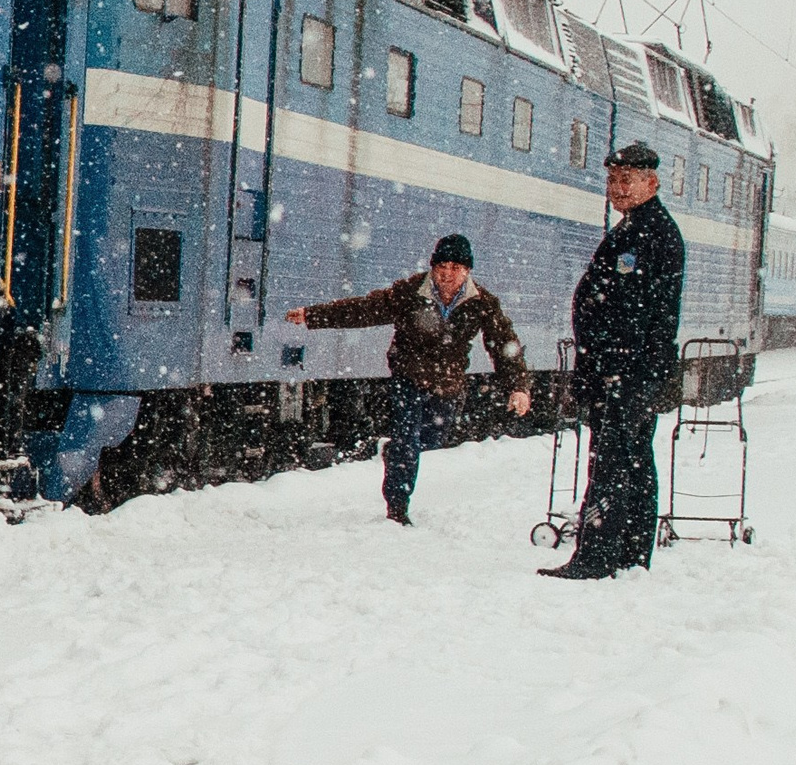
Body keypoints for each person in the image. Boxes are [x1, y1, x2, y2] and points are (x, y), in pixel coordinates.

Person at [285, 233, 532, 524]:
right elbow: (366, 309)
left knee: (432, 437)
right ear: (433, 267)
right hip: (408, 376)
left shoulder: (482, 302)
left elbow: (504, 344)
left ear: (467, 271)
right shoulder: (411, 291)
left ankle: (395, 453)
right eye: (442, 267)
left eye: (455, 268)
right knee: (407, 439)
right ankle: (397, 508)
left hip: (446, 383)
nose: (447, 274)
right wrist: (313, 315)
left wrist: (518, 387)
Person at [540, 141, 684, 579]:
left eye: (627, 180)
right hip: (625, 367)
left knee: (611, 462)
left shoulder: (649, 233)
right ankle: (631, 553)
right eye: (612, 180)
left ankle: (596, 556)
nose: (617, 188)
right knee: (633, 459)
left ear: (651, 183)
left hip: (624, 369)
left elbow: (641, 311)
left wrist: (620, 367)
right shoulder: (638, 228)